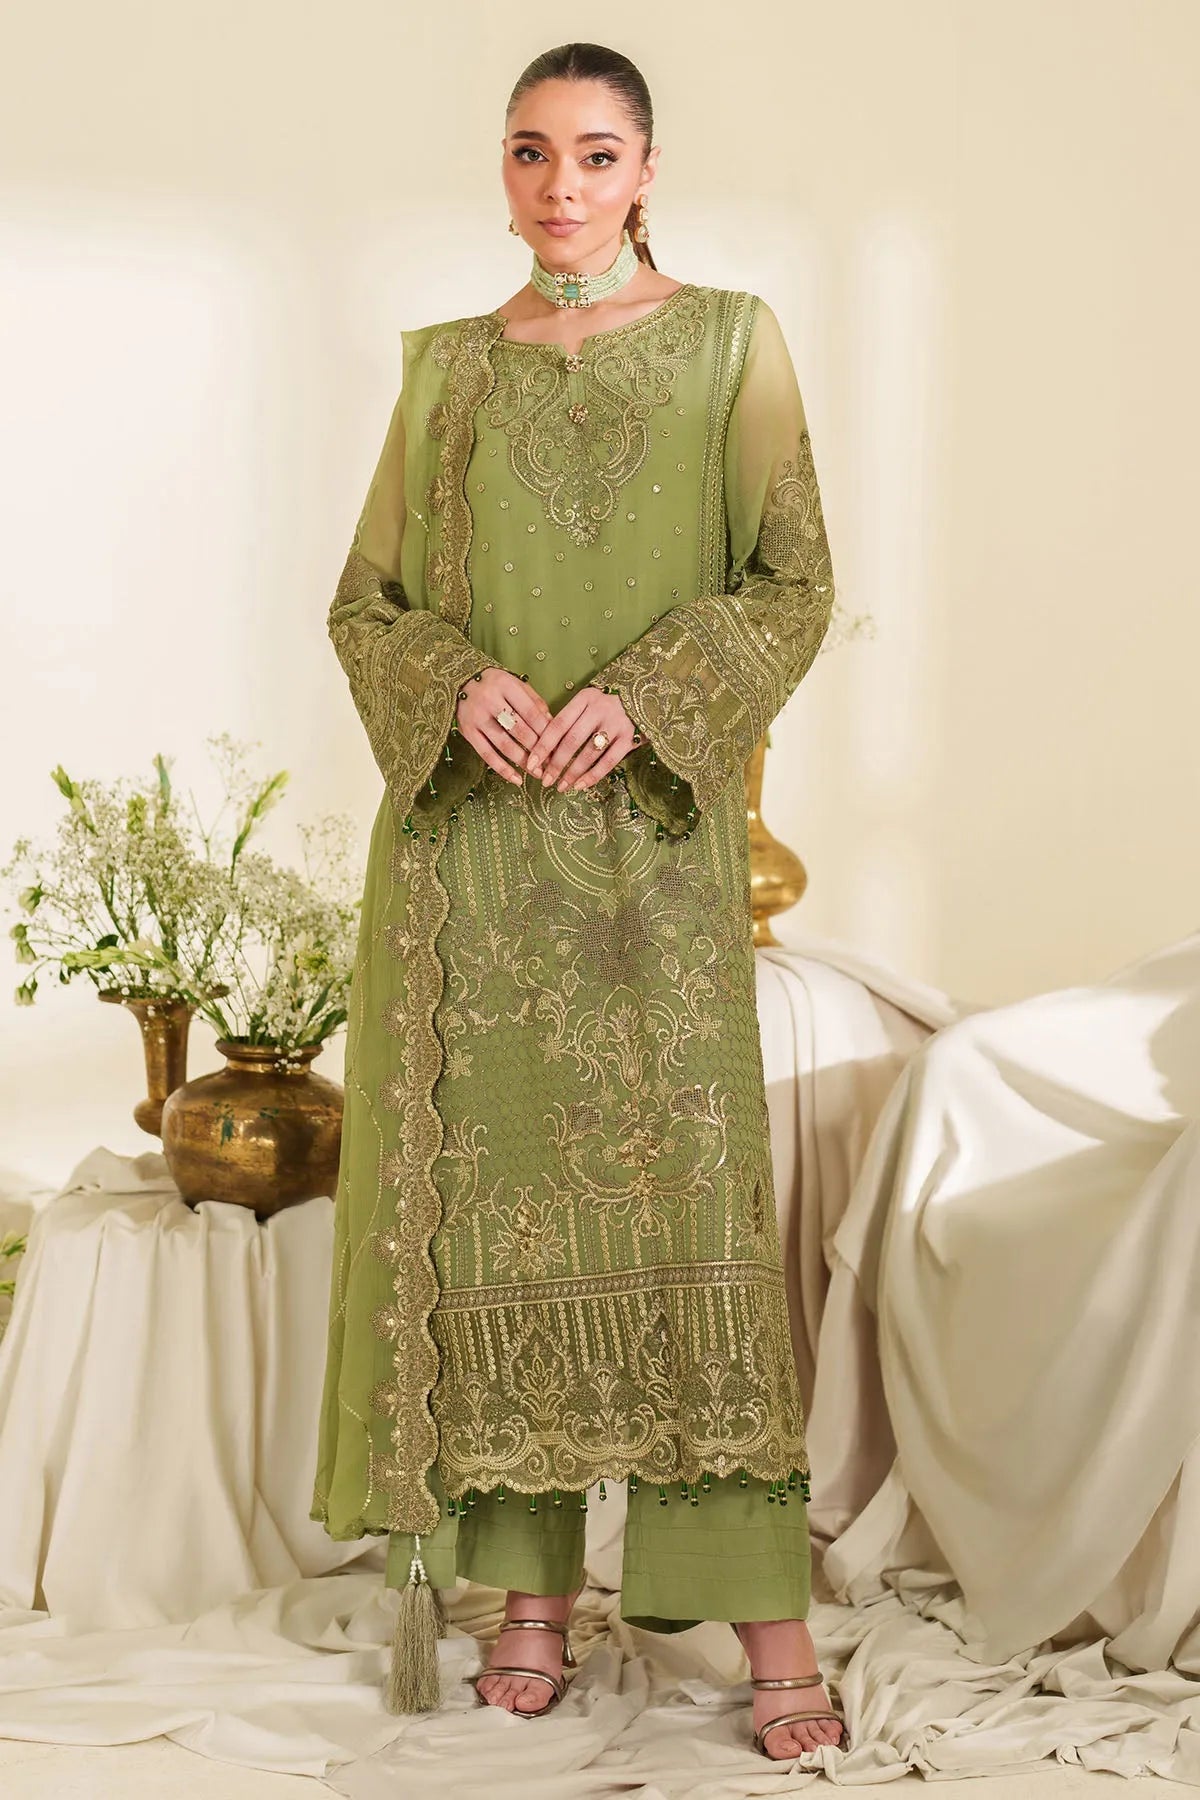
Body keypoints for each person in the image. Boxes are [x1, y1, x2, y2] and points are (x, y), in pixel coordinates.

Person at [311, 39, 848, 1762]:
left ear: (647, 167)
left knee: (683, 1226)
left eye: (597, 154)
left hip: (647, 848)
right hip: (473, 857)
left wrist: (659, 686)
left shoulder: (729, 344)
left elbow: (793, 579)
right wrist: (455, 680)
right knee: (498, 1221)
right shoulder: (449, 376)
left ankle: (769, 1633)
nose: (562, 187)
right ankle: (529, 1602)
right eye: (532, 154)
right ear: (506, 168)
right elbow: (366, 603)